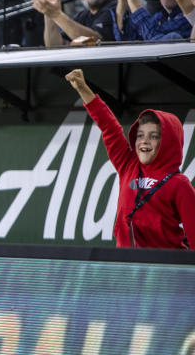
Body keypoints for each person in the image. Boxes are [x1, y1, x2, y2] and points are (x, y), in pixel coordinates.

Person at [64, 69, 195, 249]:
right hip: (126, 269)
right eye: (140, 135)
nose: (144, 142)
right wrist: (83, 88)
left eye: (154, 136)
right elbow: (109, 128)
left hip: (164, 272)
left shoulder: (179, 185)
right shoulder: (128, 165)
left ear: (169, 142)